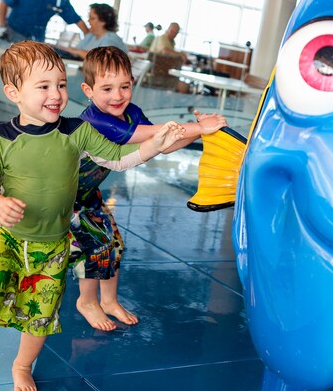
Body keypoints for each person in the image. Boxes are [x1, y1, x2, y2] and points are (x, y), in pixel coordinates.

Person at [0, 41, 185, 391]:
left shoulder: (76, 131)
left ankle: (22, 365)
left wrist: (156, 144)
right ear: (14, 93)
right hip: (7, 239)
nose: (56, 94)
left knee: (40, 315)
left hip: (52, 243)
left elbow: (117, 159)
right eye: (44, 86)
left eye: (61, 84)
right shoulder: (1, 139)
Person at [71, 46, 227, 331]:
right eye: (107, 88)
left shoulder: (130, 113)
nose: (117, 96)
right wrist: (198, 127)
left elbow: (163, 144)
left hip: (88, 195)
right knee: (94, 245)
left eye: (125, 86)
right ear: (88, 90)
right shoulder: (95, 120)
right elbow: (150, 135)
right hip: (64, 198)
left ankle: (109, 300)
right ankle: (87, 301)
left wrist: (201, 132)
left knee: (114, 244)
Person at [56, 3, 127, 60]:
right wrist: (55, 48)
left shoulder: (111, 39)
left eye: (92, 18)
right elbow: (75, 51)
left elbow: (100, 59)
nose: (88, 21)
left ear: (103, 21)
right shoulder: (91, 36)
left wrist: (78, 52)